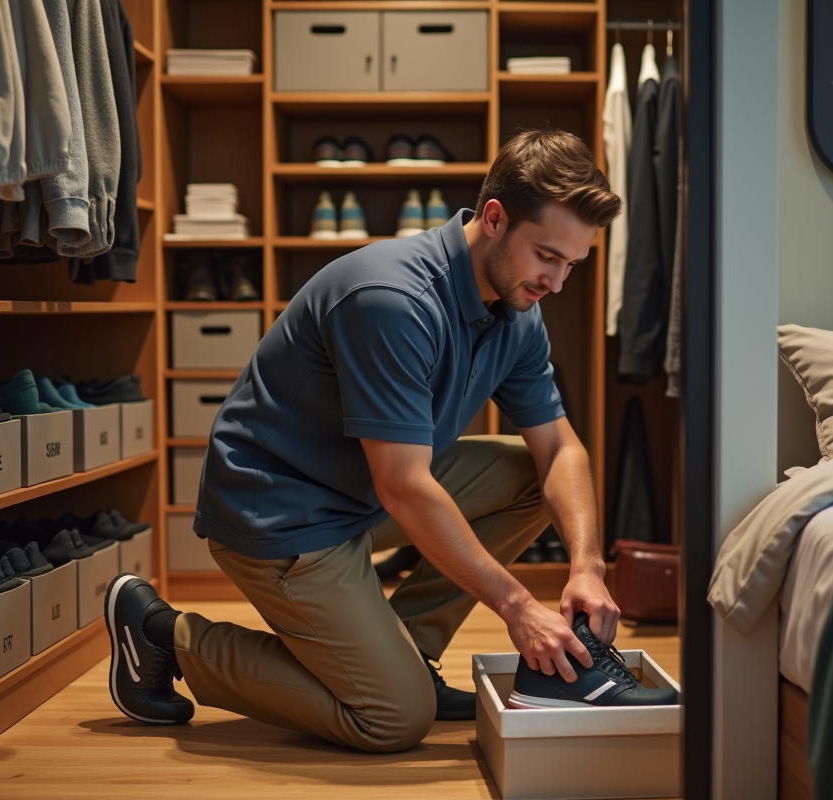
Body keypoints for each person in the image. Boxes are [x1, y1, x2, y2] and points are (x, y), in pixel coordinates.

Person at [104, 129, 623, 752]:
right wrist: (517, 607)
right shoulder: (393, 299)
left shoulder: (518, 309)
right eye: (547, 256)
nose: (557, 282)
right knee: (393, 719)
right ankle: (162, 636)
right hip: (283, 514)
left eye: (571, 264)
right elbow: (403, 485)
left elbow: (561, 448)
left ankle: (407, 655)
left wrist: (587, 566)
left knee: (529, 478)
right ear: (494, 219)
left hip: (362, 497)